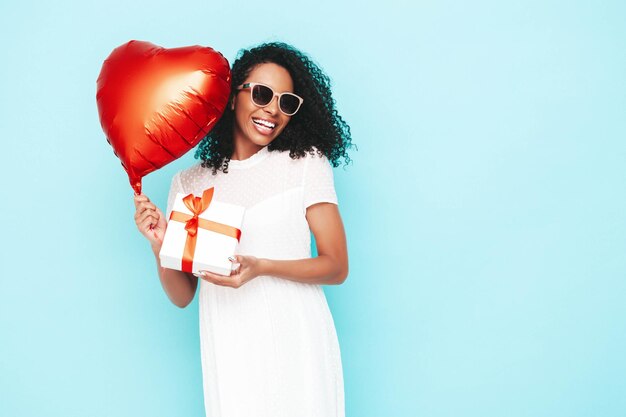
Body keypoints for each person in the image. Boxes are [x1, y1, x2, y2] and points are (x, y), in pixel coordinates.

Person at [133, 42, 353, 417]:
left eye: (286, 102)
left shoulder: (304, 164)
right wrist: (160, 246)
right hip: (230, 344)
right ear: (233, 99)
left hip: (296, 339)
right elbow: (183, 294)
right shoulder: (189, 183)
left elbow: (336, 265)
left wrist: (262, 267)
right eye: (263, 94)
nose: (272, 110)